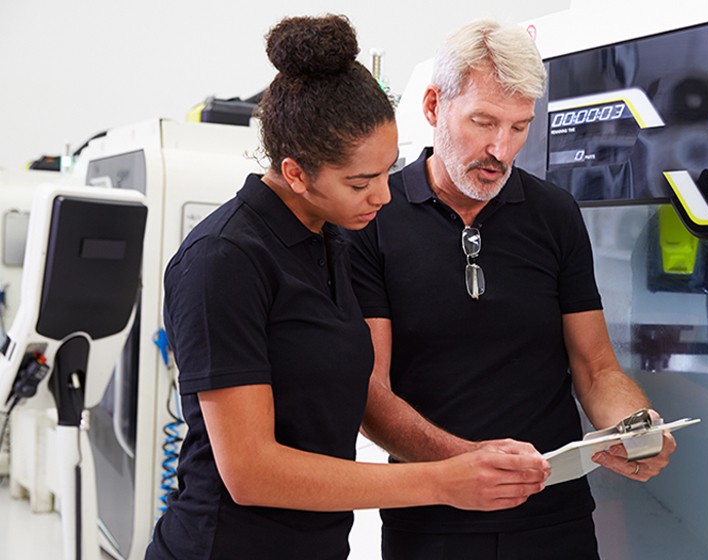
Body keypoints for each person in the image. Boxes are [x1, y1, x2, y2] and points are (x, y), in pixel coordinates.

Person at [145, 15, 549, 560]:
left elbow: (358, 395)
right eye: (360, 182)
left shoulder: (329, 241)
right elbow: (251, 472)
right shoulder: (224, 259)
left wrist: (465, 456)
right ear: (295, 173)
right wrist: (441, 482)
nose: (383, 196)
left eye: (388, 172)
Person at [344, 19, 676, 559]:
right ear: (433, 107)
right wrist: (466, 464)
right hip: (433, 522)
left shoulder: (554, 214)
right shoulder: (375, 219)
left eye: (520, 127)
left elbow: (596, 368)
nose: (501, 149)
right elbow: (372, 396)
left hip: (555, 518)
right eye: (483, 122)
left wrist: (631, 428)